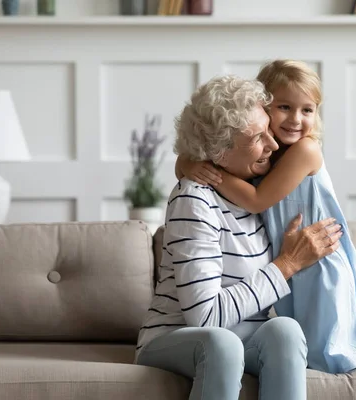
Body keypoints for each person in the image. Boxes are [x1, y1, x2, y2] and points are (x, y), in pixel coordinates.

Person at [178, 60, 356, 374]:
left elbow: (258, 201)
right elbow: (194, 159)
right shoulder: (264, 153)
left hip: (319, 259)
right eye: (285, 107)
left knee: (330, 356)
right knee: (307, 350)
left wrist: (206, 171)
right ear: (263, 107)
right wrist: (191, 165)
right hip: (290, 261)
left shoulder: (306, 150)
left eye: (307, 110)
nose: (296, 120)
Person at [134, 74, 343, 400]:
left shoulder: (256, 189)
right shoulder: (195, 199)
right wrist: (286, 264)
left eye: (268, 132)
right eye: (258, 138)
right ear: (219, 149)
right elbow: (206, 317)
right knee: (222, 341)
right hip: (176, 336)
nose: (273, 145)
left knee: (285, 330)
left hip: (240, 334)